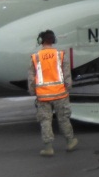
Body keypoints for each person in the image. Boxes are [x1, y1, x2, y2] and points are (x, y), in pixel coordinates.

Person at [28, 29, 78, 157]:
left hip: (43, 96)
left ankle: (48, 148)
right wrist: (68, 87)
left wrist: (33, 91)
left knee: (45, 120)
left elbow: (31, 77)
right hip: (60, 94)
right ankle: (70, 141)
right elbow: (67, 74)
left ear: (41, 41)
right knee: (63, 118)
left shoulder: (35, 57)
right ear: (53, 40)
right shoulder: (60, 55)